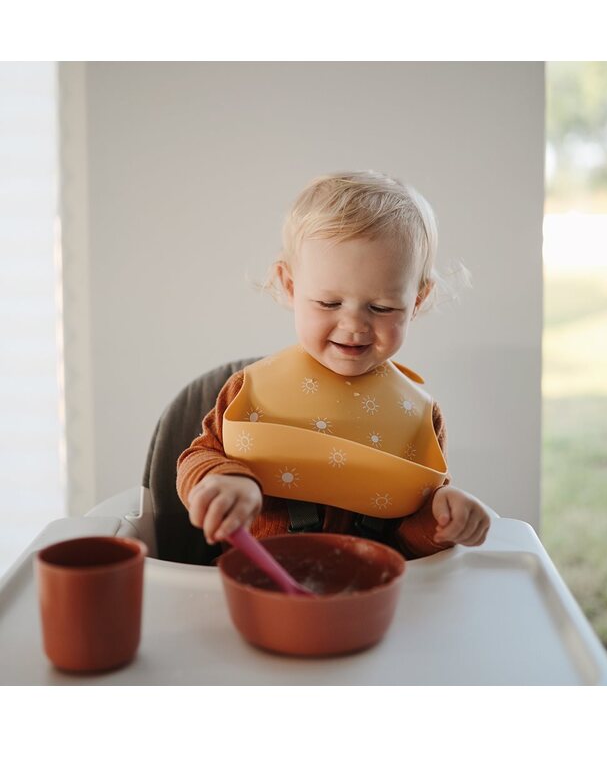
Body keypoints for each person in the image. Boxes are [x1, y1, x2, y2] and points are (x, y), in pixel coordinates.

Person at [176, 170, 491, 559]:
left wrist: (442, 522)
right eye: (329, 303)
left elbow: (409, 541)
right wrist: (223, 480)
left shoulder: (418, 418)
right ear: (290, 286)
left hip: (368, 591)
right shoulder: (251, 391)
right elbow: (197, 457)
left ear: (418, 301)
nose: (354, 325)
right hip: (260, 582)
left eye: (382, 307)